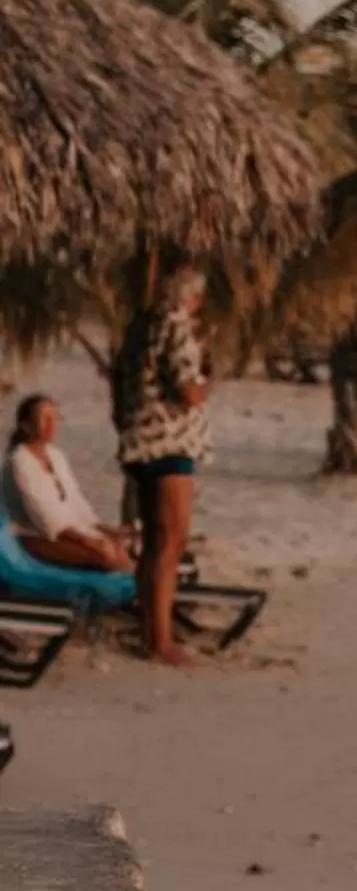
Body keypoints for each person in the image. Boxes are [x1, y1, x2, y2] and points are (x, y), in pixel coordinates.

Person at [110, 256, 211, 666]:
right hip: (168, 441)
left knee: (154, 543)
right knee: (171, 542)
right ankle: (161, 641)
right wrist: (207, 384)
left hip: (138, 440)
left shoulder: (140, 326)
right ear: (193, 297)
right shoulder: (175, 326)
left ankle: (150, 632)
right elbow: (187, 390)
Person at [3, 395, 137, 572]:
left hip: (64, 533)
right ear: (26, 425)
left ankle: (142, 576)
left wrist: (107, 531)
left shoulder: (56, 456)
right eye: (45, 419)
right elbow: (45, 519)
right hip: (34, 537)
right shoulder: (19, 461)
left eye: (55, 418)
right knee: (106, 553)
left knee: (122, 543)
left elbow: (76, 502)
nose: (52, 425)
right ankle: (139, 580)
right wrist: (88, 540)